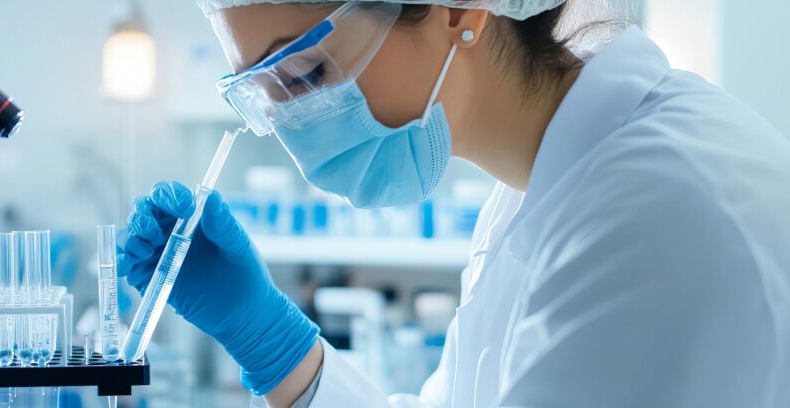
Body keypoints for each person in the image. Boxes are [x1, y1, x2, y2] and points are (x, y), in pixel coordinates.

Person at [117, 0, 790, 406]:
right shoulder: (534, 192)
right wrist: (271, 342)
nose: (294, 119)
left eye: (306, 72)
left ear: (459, 10)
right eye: (263, 91)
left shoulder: (657, 216)